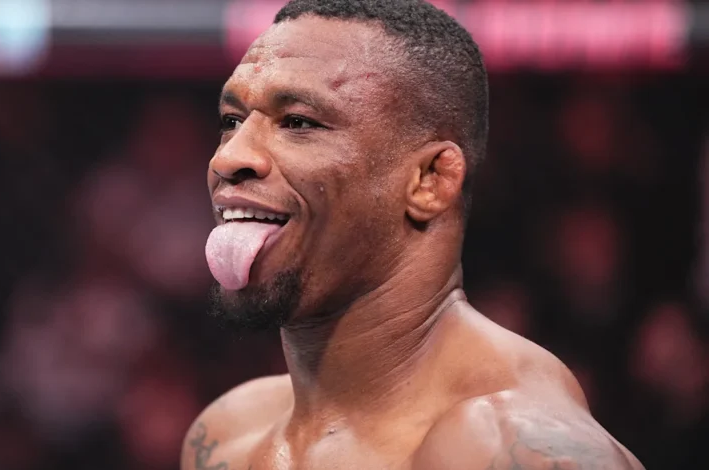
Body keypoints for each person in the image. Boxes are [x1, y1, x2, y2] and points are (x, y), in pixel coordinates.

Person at [183, 0, 644, 468]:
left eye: (298, 122)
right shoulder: (227, 436)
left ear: (429, 180)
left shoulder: (513, 447)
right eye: (232, 121)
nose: (227, 158)